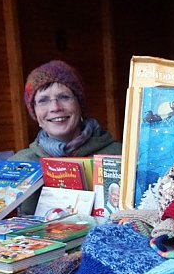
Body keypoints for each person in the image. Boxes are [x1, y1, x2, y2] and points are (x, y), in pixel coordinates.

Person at [11, 60, 122, 213]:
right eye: (43, 100)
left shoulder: (119, 155)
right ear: (34, 112)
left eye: (64, 97)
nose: (55, 107)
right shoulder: (19, 164)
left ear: (79, 104)